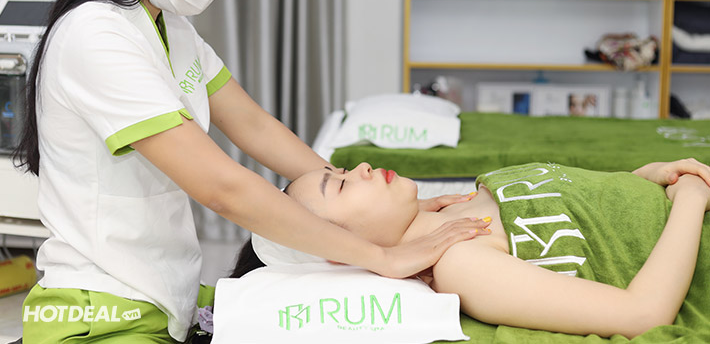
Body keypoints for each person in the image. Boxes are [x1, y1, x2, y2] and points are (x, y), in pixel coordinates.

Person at [14, 0, 484, 342]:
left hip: (164, 293)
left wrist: (374, 210)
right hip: (99, 310)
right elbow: (223, 187)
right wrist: (381, 254)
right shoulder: (95, 35)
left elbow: (255, 126)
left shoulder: (169, 27)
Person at [232, 158, 710, 339]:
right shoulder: (462, 263)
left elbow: (584, 210)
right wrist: (689, 198)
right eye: (339, 186)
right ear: (342, 249)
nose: (360, 168)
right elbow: (641, 314)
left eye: (339, 170)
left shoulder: (466, 201)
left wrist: (642, 177)